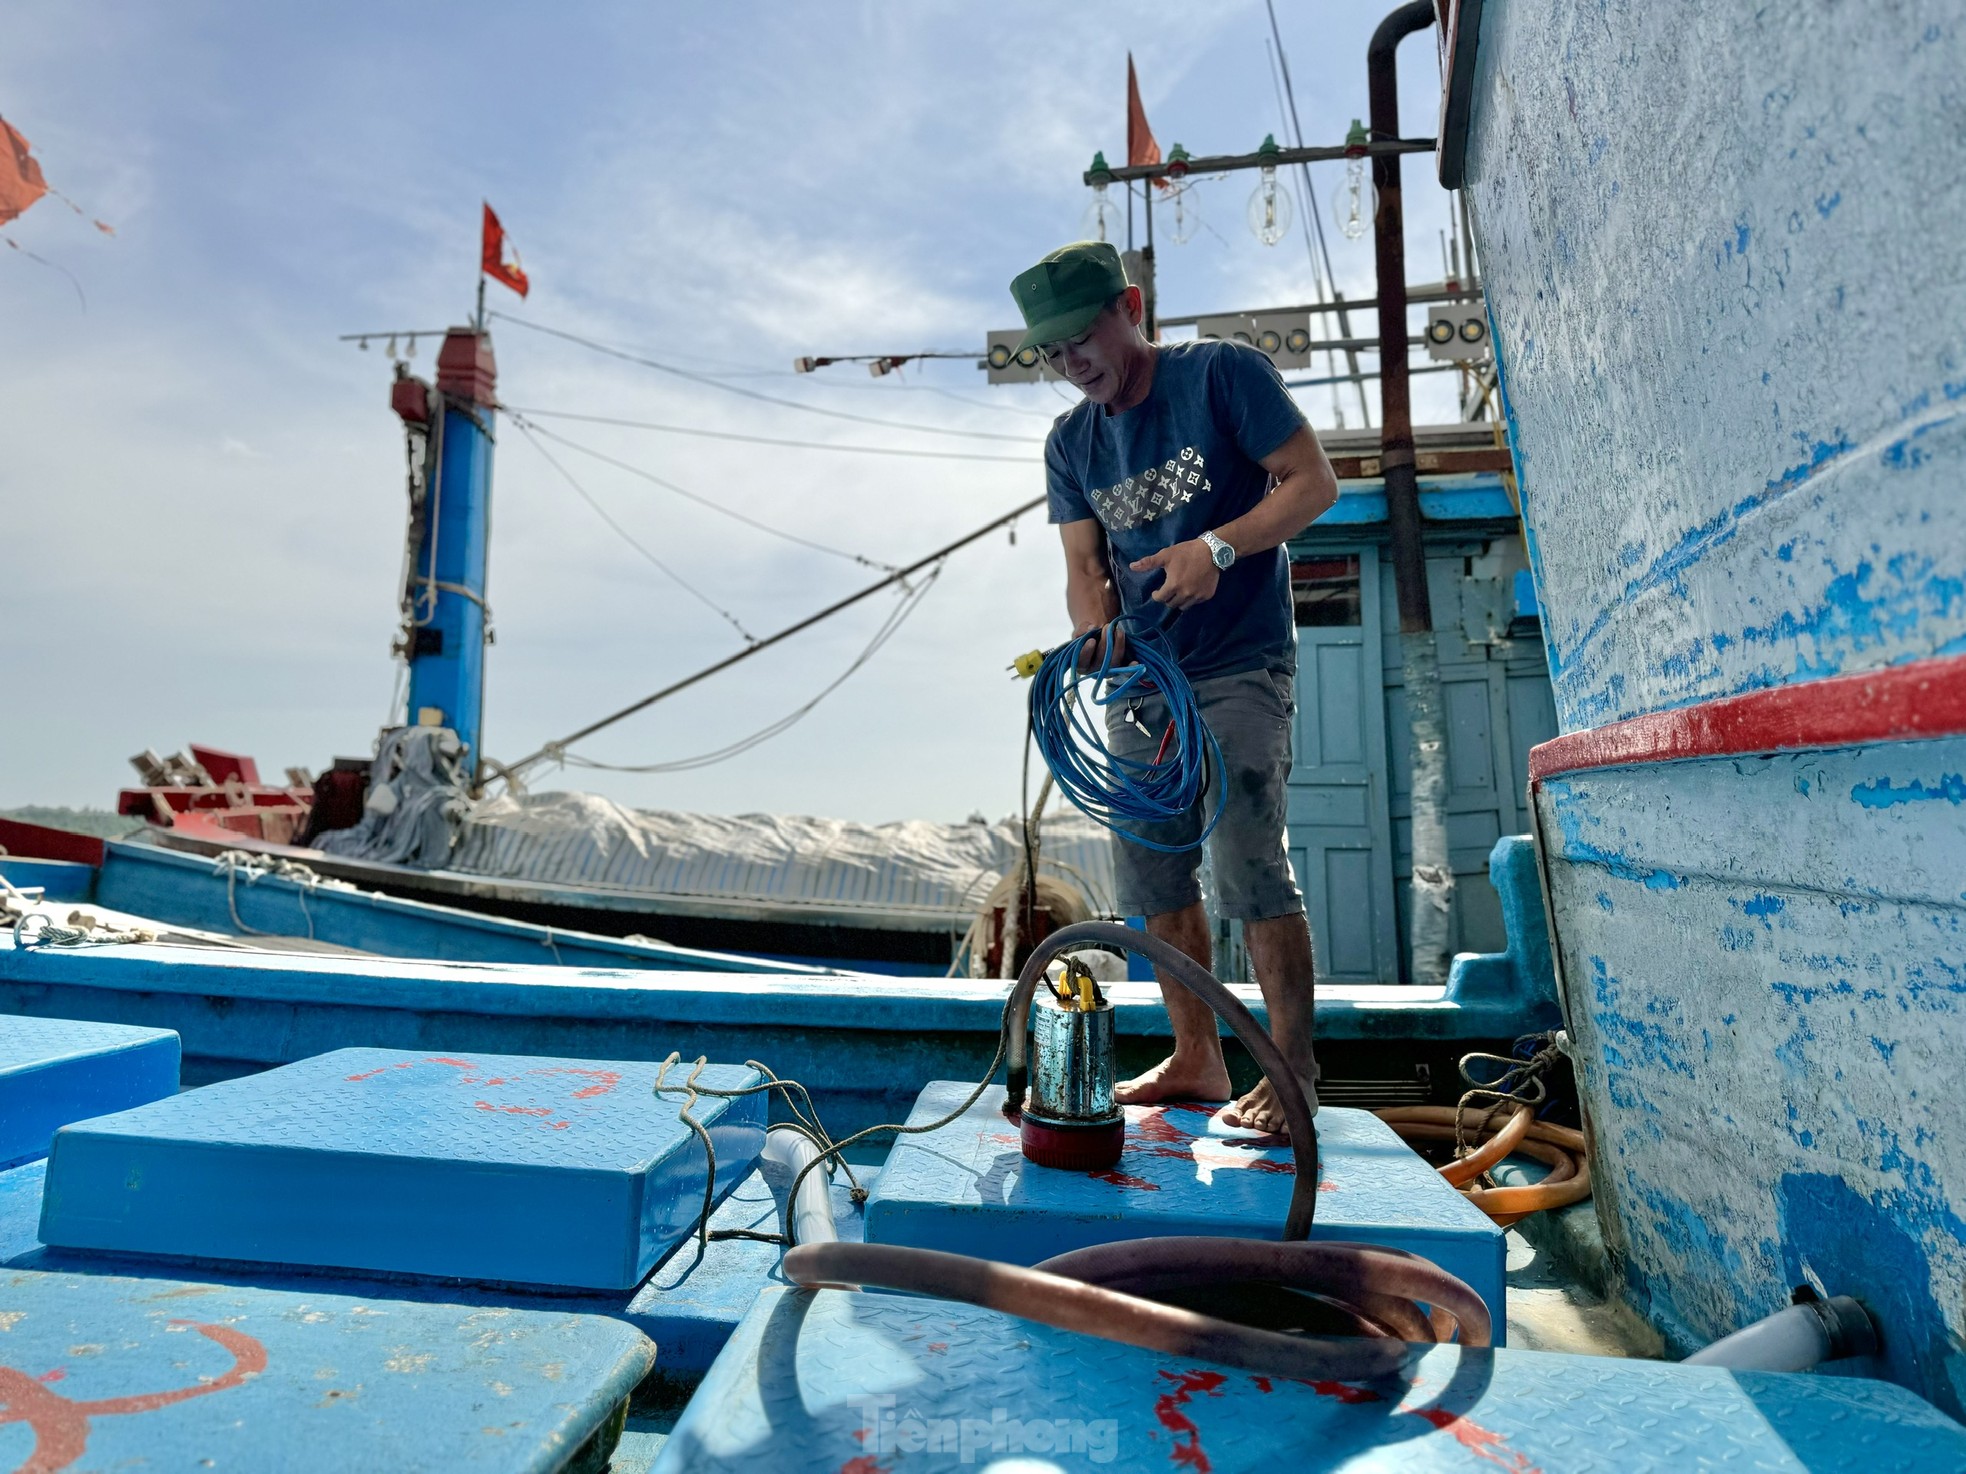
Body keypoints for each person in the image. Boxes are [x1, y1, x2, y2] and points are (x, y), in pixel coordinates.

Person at [1010, 240, 1339, 1135]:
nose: (1073, 364)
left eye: (1084, 337)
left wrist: (1220, 548)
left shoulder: (1223, 376)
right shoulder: (1071, 442)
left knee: (1245, 860)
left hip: (1239, 661)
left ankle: (1291, 1070)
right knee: (1153, 869)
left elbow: (1314, 483)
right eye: (1053, 352)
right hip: (1146, 682)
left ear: (1132, 307)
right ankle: (1197, 1059)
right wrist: (1094, 638)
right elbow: (1086, 568)